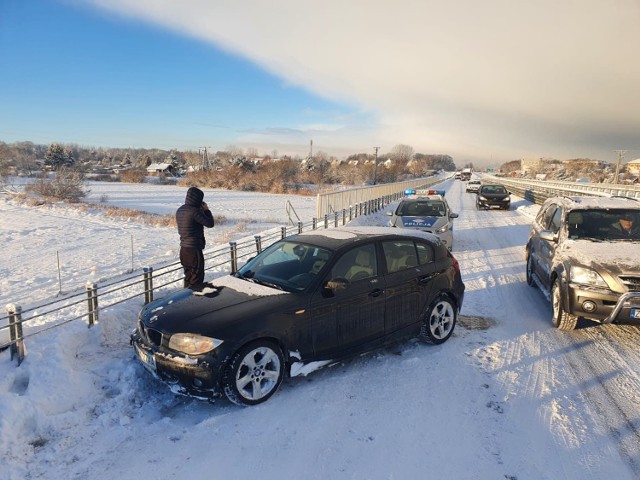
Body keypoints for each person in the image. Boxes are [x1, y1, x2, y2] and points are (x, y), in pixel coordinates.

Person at [176, 186, 214, 288]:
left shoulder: (180, 210)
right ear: (198, 199)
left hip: (184, 248)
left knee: (188, 276)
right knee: (196, 277)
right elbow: (210, 223)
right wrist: (206, 210)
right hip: (194, 249)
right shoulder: (194, 211)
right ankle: (194, 300)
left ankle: (185, 299)